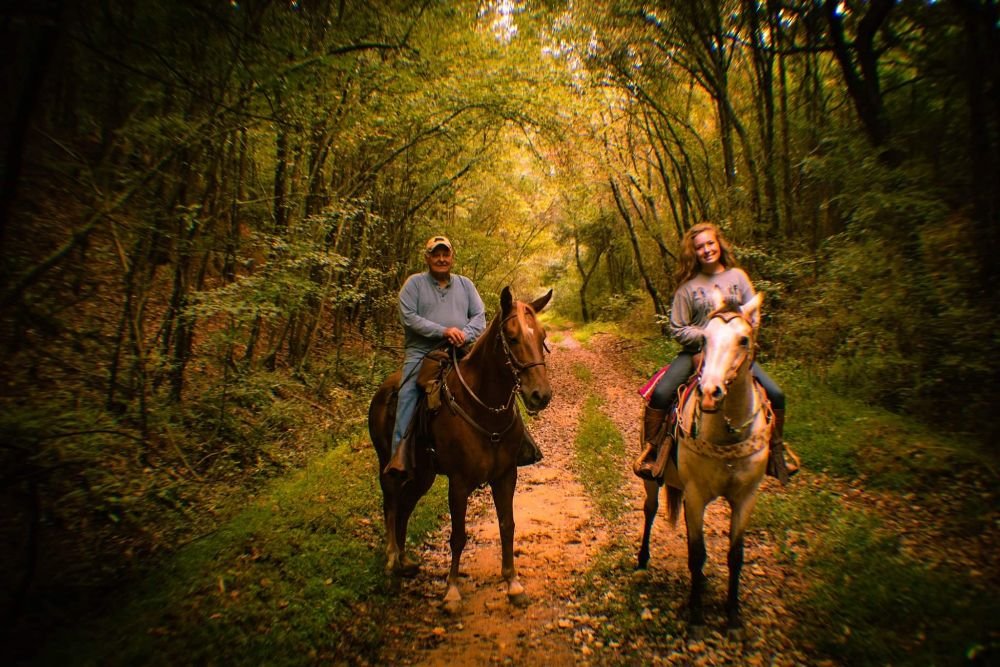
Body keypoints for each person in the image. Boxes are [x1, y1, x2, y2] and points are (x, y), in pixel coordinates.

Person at [633, 222, 798, 484]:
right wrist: (708, 336)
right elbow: (677, 327)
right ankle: (653, 453)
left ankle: (775, 454)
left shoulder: (738, 278)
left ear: (719, 244)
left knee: (776, 393)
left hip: (732, 356)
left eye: (711, 243)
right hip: (695, 354)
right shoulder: (687, 287)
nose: (707, 249)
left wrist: (733, 339)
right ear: (693, 252)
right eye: (700, 247)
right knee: (662, 393)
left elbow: (752, 318)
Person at [383, 235, 543, 477]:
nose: (441, 258)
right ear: (427, 257)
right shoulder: (414, 285)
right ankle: (400, 455)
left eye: (445, 254)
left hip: (462, 348)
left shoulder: (465, 285)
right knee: (408, 392)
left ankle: (520, 443)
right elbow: (409, 317)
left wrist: (464, 334)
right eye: (435, 254)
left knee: (502, 381)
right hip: (424, 352)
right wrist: (443, 331)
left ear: (452, 257)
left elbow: (479, 316)